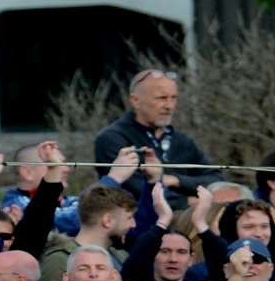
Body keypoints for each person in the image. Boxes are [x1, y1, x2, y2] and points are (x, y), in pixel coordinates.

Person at [91, 69, 218, 197]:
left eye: (173, 98)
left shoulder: (181, 140)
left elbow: (216, 180)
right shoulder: (113, 139)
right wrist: (189, 203)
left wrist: (176, 180)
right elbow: (136, 191)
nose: (169, 106)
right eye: (161, 98)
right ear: (136, 101)